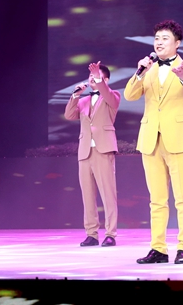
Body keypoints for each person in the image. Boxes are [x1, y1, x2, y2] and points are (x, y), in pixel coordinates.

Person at [124, 20, 183, 265]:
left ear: (177, 43)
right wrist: (139, 72)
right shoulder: (148, 69)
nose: (159, 42)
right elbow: (129, 95)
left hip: (178, 138)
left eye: (165, 38)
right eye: (156, 38)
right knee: (156, 200)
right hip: (150, 139)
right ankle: (158, 249)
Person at [64, 61, 120, 247]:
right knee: (87, 196)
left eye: (96, 76)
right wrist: (75, 95)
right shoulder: (83, 101)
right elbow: (69, 115)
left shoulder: (112, 96)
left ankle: (110, 234)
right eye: (90, 76)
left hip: (103, 149)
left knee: (108, 194)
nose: (92, 79)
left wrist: (98, 79)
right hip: (85, 151)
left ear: (106, 80)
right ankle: (91, 234)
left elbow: (108, 95)